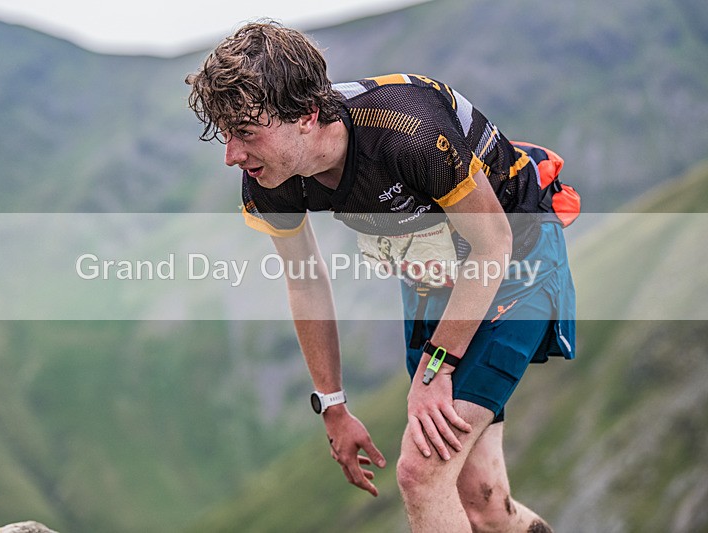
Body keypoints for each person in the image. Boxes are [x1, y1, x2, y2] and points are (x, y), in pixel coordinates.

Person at [186, 20, 575, 533]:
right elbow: (305, 280)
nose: (232, 155)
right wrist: (333, 406)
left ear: (305, 116)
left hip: (515, 258)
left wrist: (436, 369)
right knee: (483, 502)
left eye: (245, 133)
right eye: (225, 134)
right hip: (433, 276)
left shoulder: (408, 131)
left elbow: (493, 244)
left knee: (421, 473)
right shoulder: (269, 176)